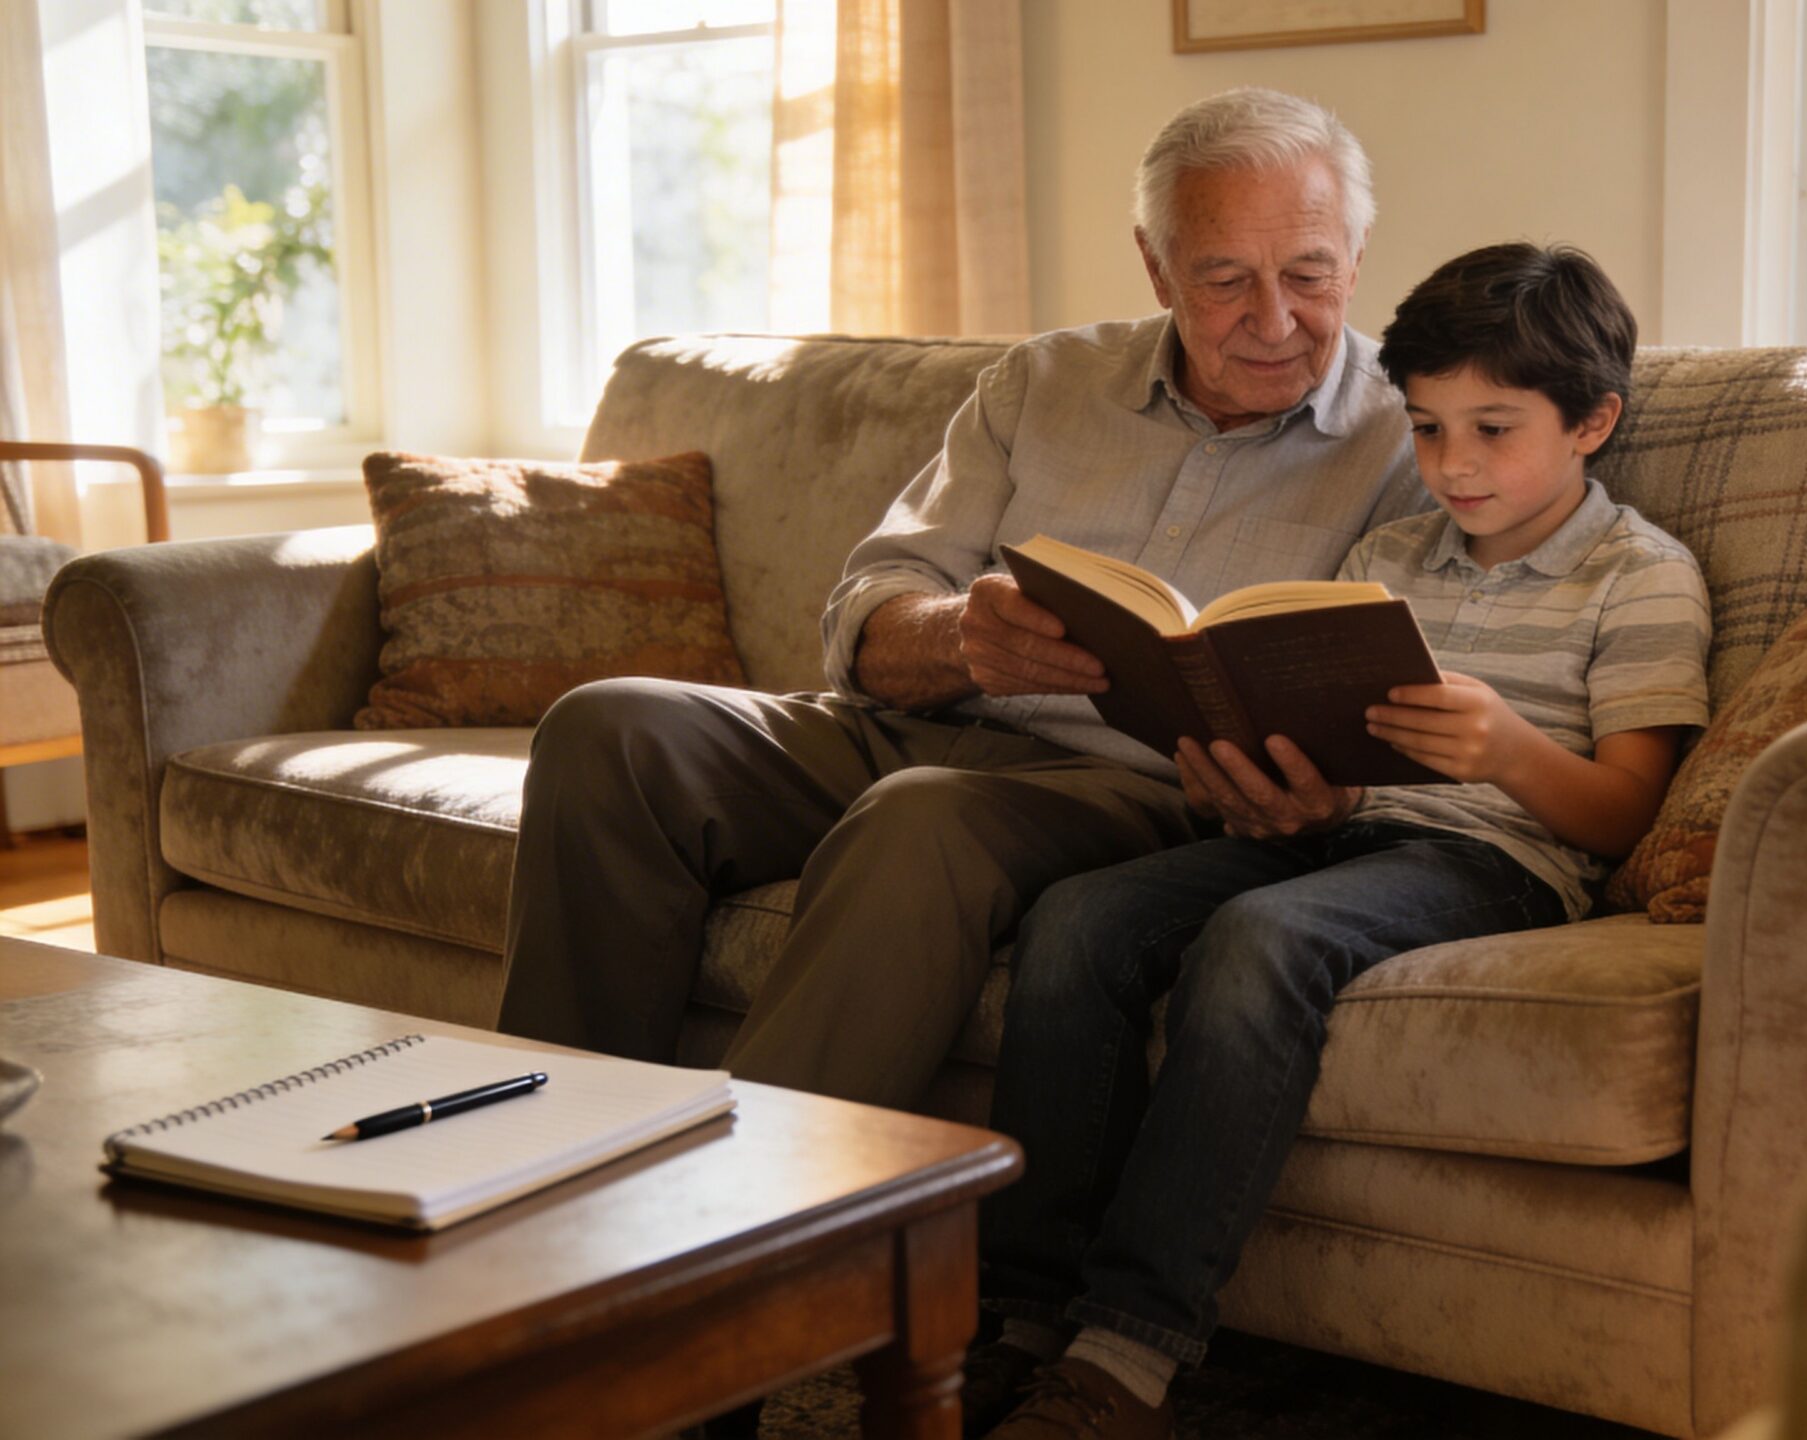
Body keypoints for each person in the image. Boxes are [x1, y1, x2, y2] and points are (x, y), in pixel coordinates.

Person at [493, 87, 1425, 1112]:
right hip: (912, 727)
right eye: (1222, 280)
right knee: (610, 728)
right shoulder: (1045, 380)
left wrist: (1332, 792)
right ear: (1155, 266)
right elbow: (871, 601)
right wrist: (953, 635)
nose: (1274, 319)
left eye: (1308, 274)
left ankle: (748, 1223)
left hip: (1132, 794)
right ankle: (552, 1139)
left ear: (1358, 250)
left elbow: (1418, 708)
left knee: (921, 819)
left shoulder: (1415, 440)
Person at [968, 243, 1713, 1440]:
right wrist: (1287, 787)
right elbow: (1331, 743)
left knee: (1263, 938)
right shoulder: (1388, 560)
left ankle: (1129, 1352)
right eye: (1424, 429)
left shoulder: (1642, 578)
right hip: (1344, 830)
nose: (1450, 466)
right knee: (1080, 918)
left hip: (1493, 861)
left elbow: (1626, 816)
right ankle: (1019, 1313)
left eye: (1491, 429)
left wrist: (1508, 751)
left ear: (1592, 423)